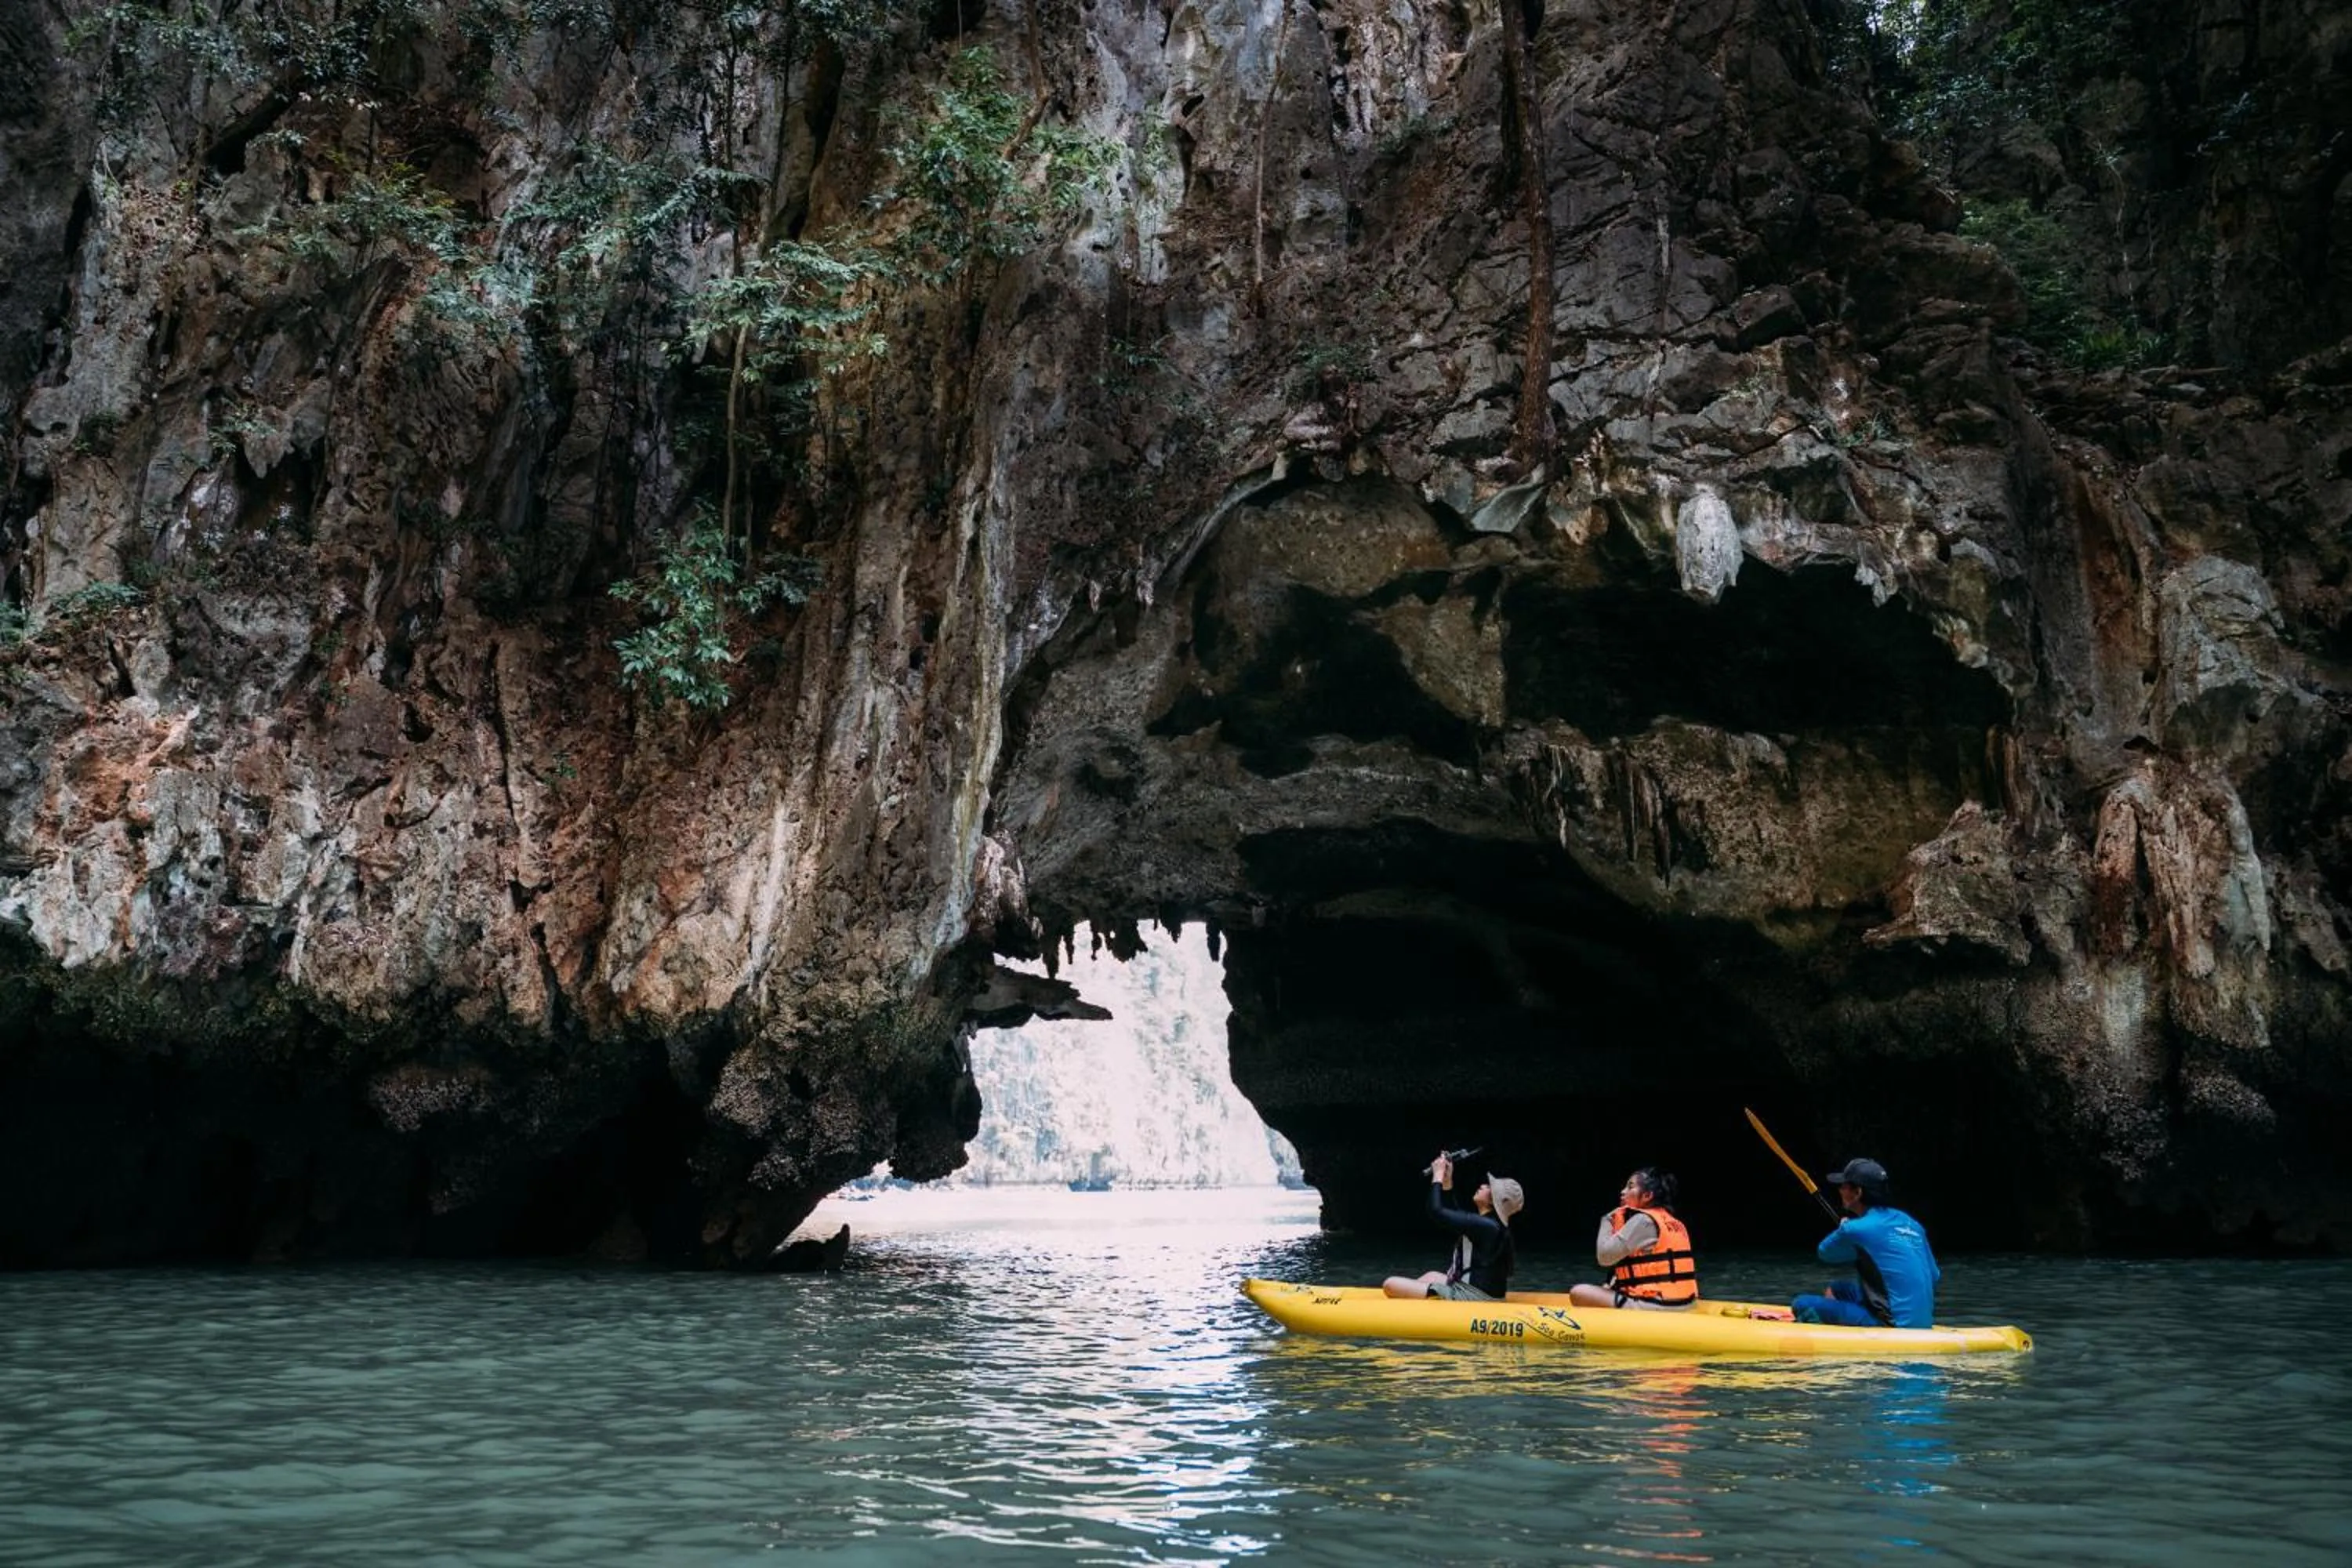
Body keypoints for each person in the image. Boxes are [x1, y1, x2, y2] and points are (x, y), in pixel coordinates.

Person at [1792, 1158, 1940, 1328]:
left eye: (1844, 1186)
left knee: (1802, 1304)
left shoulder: (1855, 1228)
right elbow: (1934, 1275)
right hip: (1922, 1321)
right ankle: (1845, 1325)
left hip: (1890, 1322)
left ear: (1858, 1193)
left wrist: (1844, 1230)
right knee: (1838, 1288)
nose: (1840, 1190)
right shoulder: (1911, 1223)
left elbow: (1825, 1253)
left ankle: (1849, 1329)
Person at [1383, 1152, 1524, 1300]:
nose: (1483, 1185)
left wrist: (1437, 1175)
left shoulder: (1486, 1226)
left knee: (1390, 1284)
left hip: (1473, 1296)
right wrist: (1447, 1180)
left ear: (1494, 1201)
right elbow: (1453, 1213)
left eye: (1489, 1187)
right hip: (1475, 1290)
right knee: (1430, 1276)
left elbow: (1436, 1211)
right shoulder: (1490, 1225)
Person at [1568, 1167, 1699, 1310]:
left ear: (1647, 1196)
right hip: (1686, 1303)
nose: (1623, 1192)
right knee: (1606, 1287)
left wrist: (1607, 1221)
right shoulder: (1674, 1222)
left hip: (1657, 1305)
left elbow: (1604, 1257)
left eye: (1630, 1187)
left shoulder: (1643, 1220)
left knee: (1578, 1292)